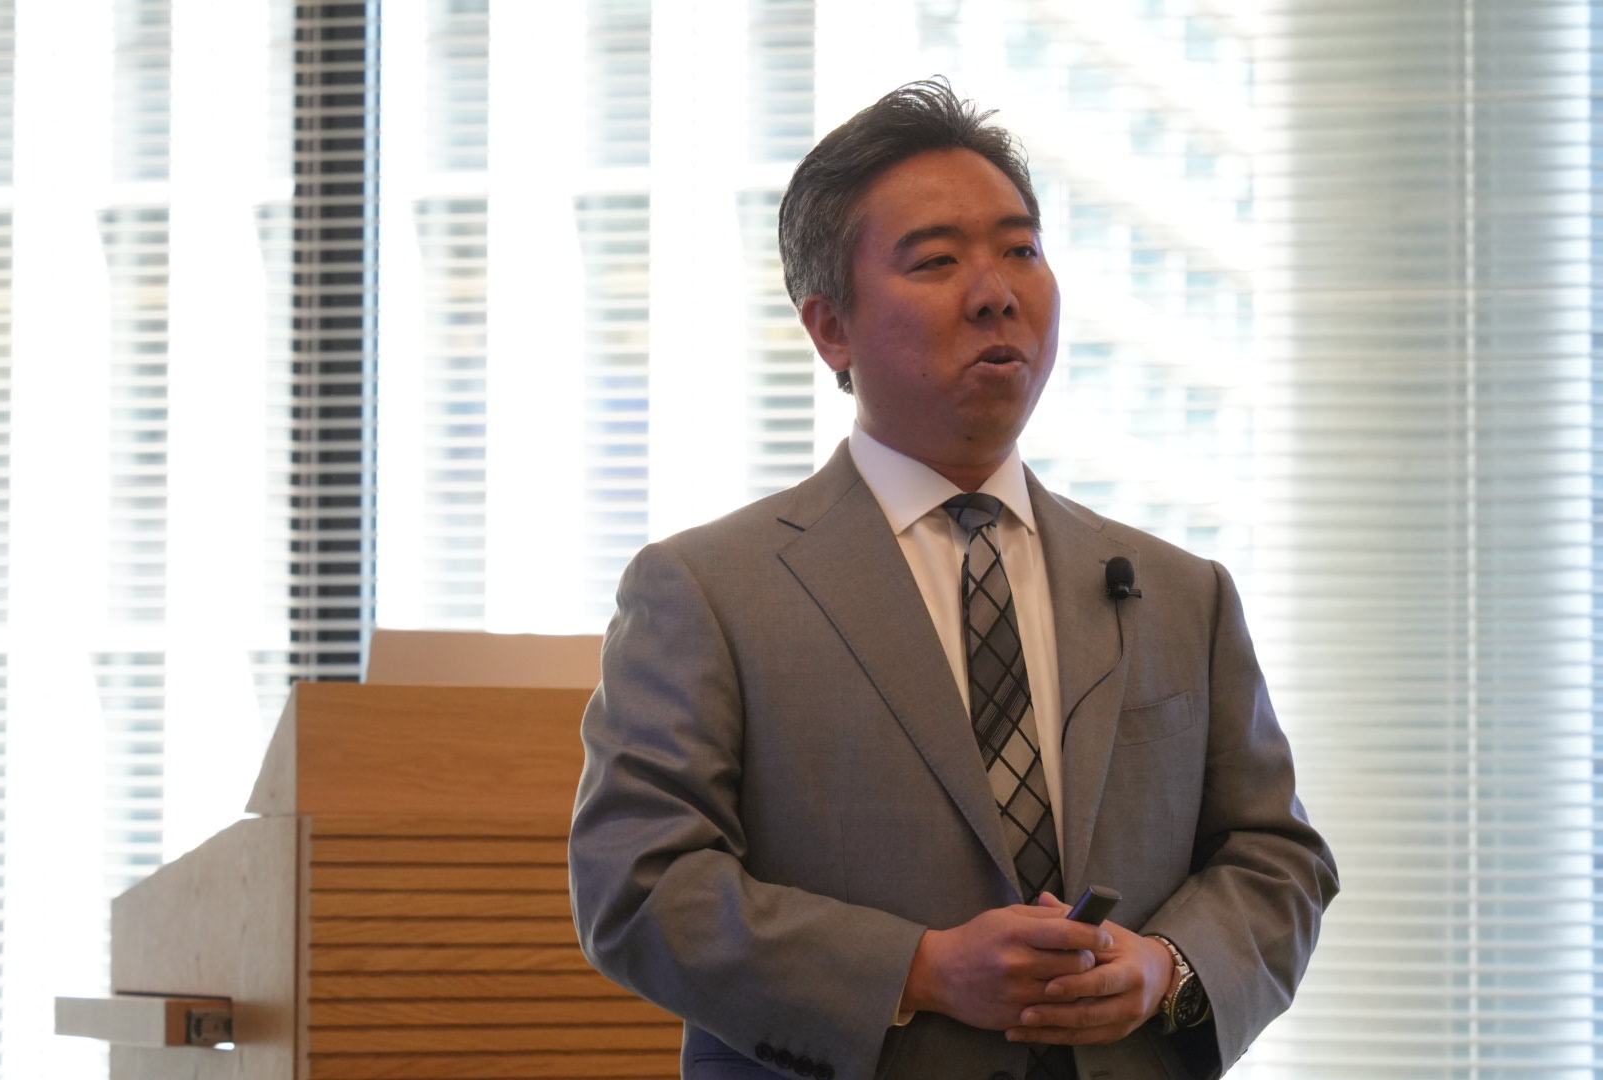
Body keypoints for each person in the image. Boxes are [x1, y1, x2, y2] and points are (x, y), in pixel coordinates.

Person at [568, 79, 1337, 1080]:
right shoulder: (708, 591)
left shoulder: (1182, 593)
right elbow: (637, 885)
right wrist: (919, 970)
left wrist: (1165, 967)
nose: (995, 292)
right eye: (936, 261)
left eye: (1021, 250)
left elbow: (1276, 857)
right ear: (830, 329)